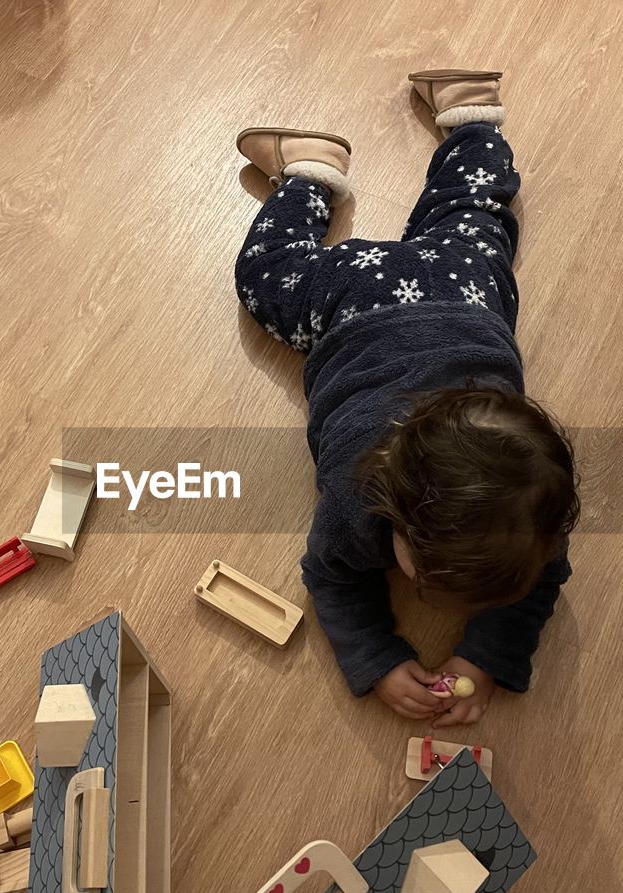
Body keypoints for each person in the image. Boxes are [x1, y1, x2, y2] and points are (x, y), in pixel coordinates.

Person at [234, 70, 579, 726]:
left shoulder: (536, 513)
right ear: (389, 508)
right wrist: (376, 656)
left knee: (477, 214)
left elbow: (542, 580)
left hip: (467, 293)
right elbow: (332, 574)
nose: (433, 601)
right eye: (427, 582)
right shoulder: (356, 491)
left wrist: (486, 655)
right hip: (357, 303)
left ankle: (474, 119)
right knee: (265, 275)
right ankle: (311, 172)